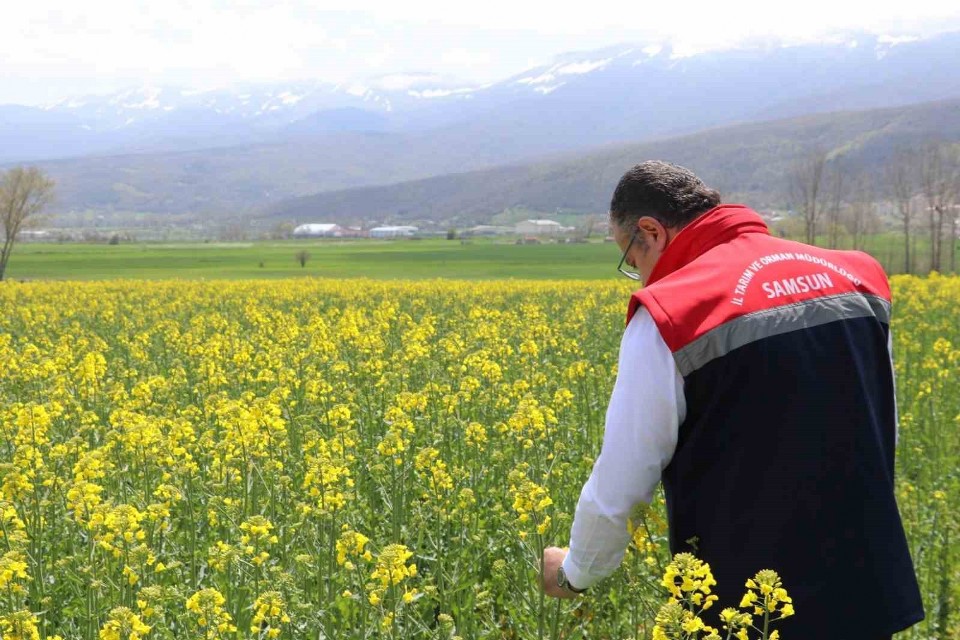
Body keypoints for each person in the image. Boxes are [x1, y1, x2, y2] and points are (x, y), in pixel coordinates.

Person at [540, 161, 924, 639]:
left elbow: (624, 474)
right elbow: (881, 423)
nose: (639, 277)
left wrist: (574, 572)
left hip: (750, 609)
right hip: (866, 589)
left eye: (632, 260)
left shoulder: (671, 312)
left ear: (651, 232)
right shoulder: (857, 275)